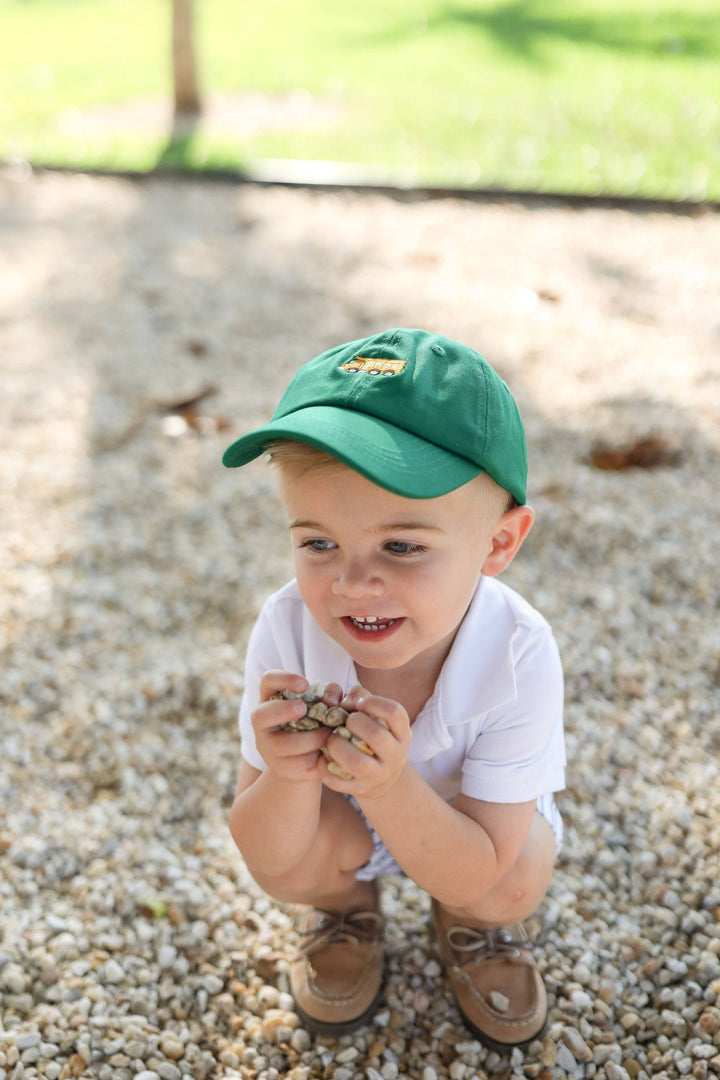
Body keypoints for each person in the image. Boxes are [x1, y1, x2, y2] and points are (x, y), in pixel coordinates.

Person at [223, 328, 565, 1049]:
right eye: (318, 543)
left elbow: (483, 857)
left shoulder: (517, 651)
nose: (352, 583)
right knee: (301, 859)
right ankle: (346, 905)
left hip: (469, 832)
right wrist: (284, 776)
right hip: (341, 826)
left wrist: (386, 787)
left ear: (499, 544)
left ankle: (465, 921)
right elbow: (263, 855)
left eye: (402, 546)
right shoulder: (288, 625)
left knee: (510, 884)